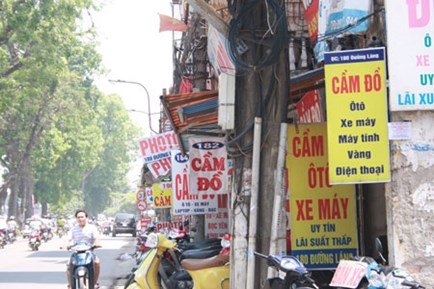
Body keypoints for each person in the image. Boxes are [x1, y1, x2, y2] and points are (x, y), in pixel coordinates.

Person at [63, 209, 101, 289]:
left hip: (89, 252)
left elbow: (96, 238)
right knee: (68, 266)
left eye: (82, 217)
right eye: (78, 217)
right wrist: (65, 245)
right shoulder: (73, 229)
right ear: (76, 219)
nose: (80, 219)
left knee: (97, 262)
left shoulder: (92, 228)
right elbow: (68, 239)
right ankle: (70, 285)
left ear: (86, 218)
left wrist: (97, 244)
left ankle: (94, 283)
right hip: (76, 252)